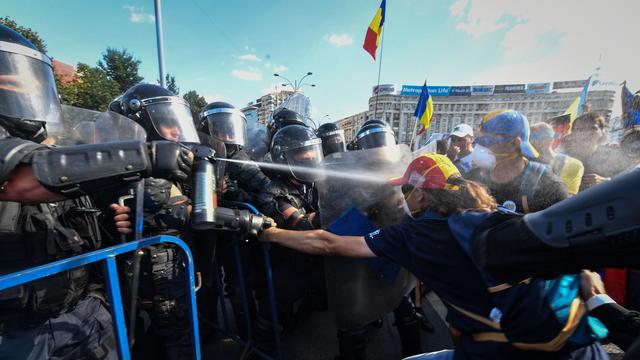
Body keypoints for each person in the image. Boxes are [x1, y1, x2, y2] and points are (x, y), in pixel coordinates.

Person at [259, 153, 608, 359]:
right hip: (581, 344)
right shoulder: (492, 212)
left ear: (423, 196)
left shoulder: (414, 235)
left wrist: (271, 232)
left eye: (407, 191)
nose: (402, 199)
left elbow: (328, 243)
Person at [0, 24, 191, 360]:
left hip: (83, 312)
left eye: (25, 86)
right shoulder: (35, 161)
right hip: (17, 334)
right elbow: (24, 179)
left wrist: (117, 225)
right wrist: (147, 156)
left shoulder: (54, 152)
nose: (21, 98)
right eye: (7, 87)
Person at [111, 83, 201, 359]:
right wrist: (246, 221)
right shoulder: (142, 175)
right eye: (166, 124)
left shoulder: (168, 171)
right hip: (156, 276)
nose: (176, 132)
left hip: (166, 270)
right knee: (176, 340)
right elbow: (187, 214)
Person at [196, 101, 276, 339]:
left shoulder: (240, 157)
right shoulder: (195, 152)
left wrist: (235, 192)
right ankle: (208, 329)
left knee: (239, 286)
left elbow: (265, 187)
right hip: (203, 232)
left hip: (233, 232)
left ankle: (248, 336)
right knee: (206, 283)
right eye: (220, 129)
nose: (227, 135)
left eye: (231, 129)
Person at [253, 124, 326, 355]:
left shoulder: (314, 184)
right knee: (282, 289)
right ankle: (262, 340)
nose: (310, 159)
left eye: (312, 153)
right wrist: (335, 209)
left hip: (316, 251)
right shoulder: (274, 190)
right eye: (302, 156)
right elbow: (303, 225)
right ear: (284, 159)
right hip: (286, 258)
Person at [469, 109, 568, 213]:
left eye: (488, 140)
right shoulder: (472, 179)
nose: (481, 147)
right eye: (480, 140)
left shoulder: (548, 187)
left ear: (515, 143)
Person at [562, 112, 626, 191]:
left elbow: (629, 184)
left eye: (593, 128)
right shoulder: (563, 159)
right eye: (581, 129)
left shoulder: (614, 157)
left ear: (602, 132)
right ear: (573, 134)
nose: (587, 133)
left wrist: (606, 181)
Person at [530, 122, 585, 195]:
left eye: (535, 137)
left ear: (550, 139)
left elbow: (567, 196)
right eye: (529, 138)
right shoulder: (526, 162)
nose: (531, 142)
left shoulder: (573, 164)